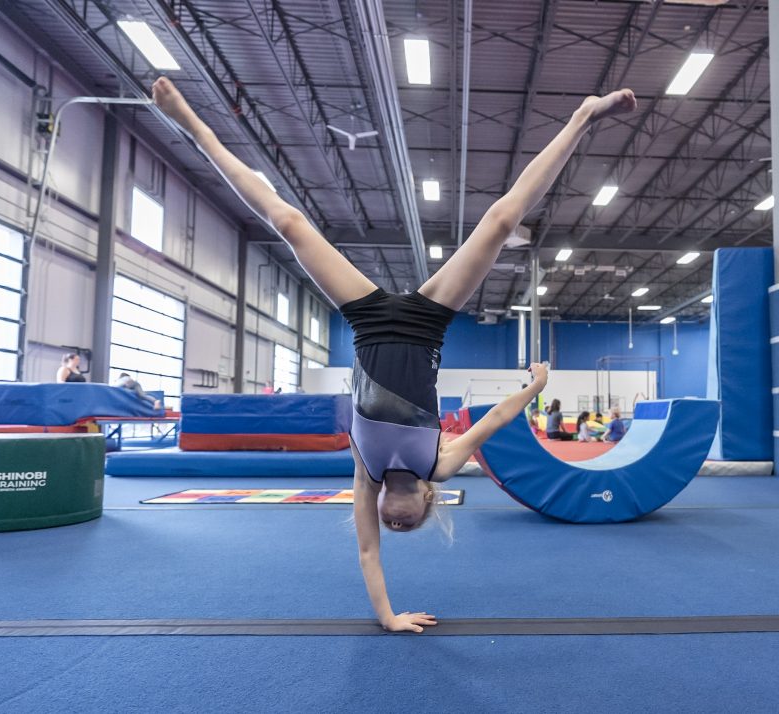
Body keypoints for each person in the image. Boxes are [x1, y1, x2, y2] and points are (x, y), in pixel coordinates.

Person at [152, 76, 636, 633]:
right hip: (428, 324)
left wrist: (387, 616)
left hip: (366, 320)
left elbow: (365, 553)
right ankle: (582, 116)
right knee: (502, 222)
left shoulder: (366, 471)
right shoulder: (442, 463)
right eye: (410, 528)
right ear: (431, 501)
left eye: (392, 529)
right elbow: (496, 419)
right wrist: (536, 385)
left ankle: (191, 124)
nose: (395, 527)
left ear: (383, 511)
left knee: (287, 222)